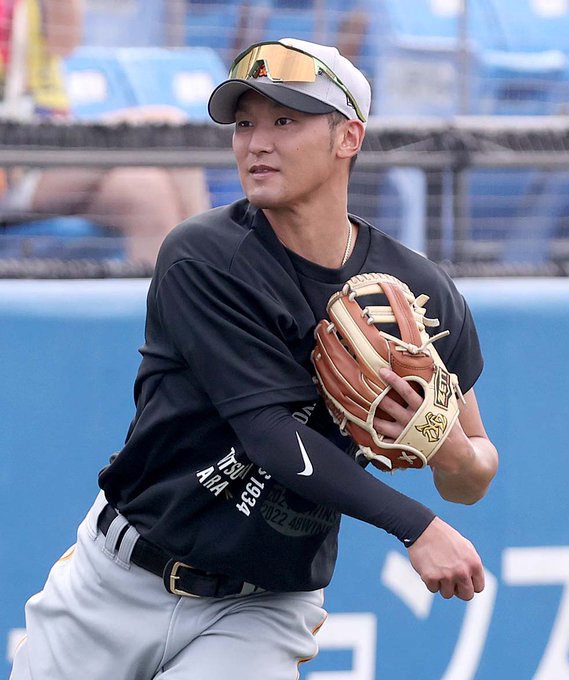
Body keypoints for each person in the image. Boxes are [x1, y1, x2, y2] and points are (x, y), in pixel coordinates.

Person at [10, 37, 499, 679]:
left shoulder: (418, 289)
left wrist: (449, 449)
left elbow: (475, 472)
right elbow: (269, 434)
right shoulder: (204, 257)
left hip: (261, 610)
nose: (256, 143)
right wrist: (416, 525)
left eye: (285, 121)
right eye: (245, 124)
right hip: (119, 581)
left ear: (348, 137)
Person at [0, 0, 210, 266]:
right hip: (13, 168)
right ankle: (212, 265)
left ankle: (182, 286)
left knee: (148, 192)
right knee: (168, 127)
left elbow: (64, 42)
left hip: (51, 151)